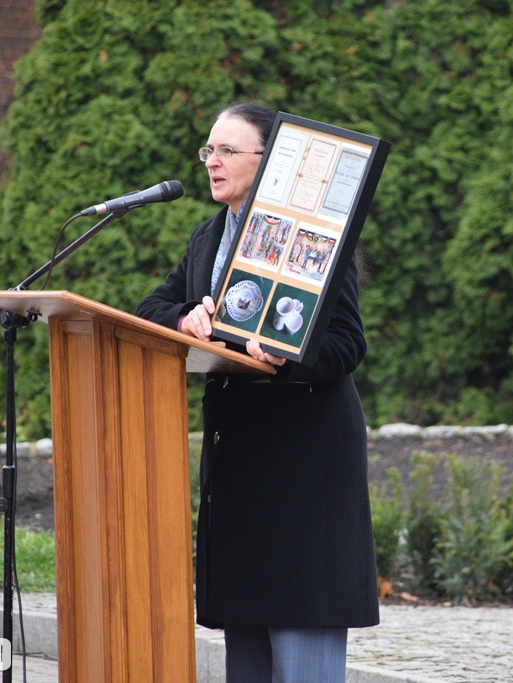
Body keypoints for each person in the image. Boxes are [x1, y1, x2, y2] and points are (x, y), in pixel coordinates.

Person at [135, 102, 379, 681]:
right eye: (207, 151)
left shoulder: (314, 238)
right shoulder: (209, 235)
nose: (211, 163)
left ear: (270, 162)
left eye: (225, 151)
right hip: (239, 460)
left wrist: (286, 356)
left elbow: (346, 343)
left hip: (302, 462)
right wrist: (186, 319)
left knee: (299, 630)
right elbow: (151, 307)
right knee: (245, 637)